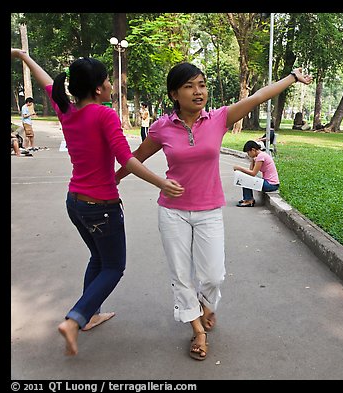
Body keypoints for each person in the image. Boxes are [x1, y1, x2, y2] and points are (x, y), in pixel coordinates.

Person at [115, 64, 312, 360]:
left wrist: (292, 78)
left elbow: (258, 97)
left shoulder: (219, 118)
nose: (199, 92)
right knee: (181, 276)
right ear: (174, 94)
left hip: (208, 211)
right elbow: (135, 159)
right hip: (173, 213)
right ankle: (198, 330)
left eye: (202, 85)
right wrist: (113, 181)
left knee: (214, 275)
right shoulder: (162, 127)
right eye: (190, 86)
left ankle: (206, 308)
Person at [11, 48, 184, 357]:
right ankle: (76, 317)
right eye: (107, 80)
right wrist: (162, 182)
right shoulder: (104, 114)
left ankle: (89, 315)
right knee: (114, 266)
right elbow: (127, 160)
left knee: (98, 258)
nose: (111, 85)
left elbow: (47, 81)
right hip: (100, 206)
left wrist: (25, 57)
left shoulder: (66, 108)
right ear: (98, 88)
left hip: (75, 203)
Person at [233, 140, 280, 207]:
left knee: (245, 179)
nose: (248, 154)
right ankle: (247, 199)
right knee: (245, 177)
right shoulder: (259, 156)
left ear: (253, 150)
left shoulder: (261, 156)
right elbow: (251, 170)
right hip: (270, 183)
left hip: (271, 184)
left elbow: (253, 173)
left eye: (248, 152)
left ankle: (249, 200)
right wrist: (252, 160)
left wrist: (239, 168)